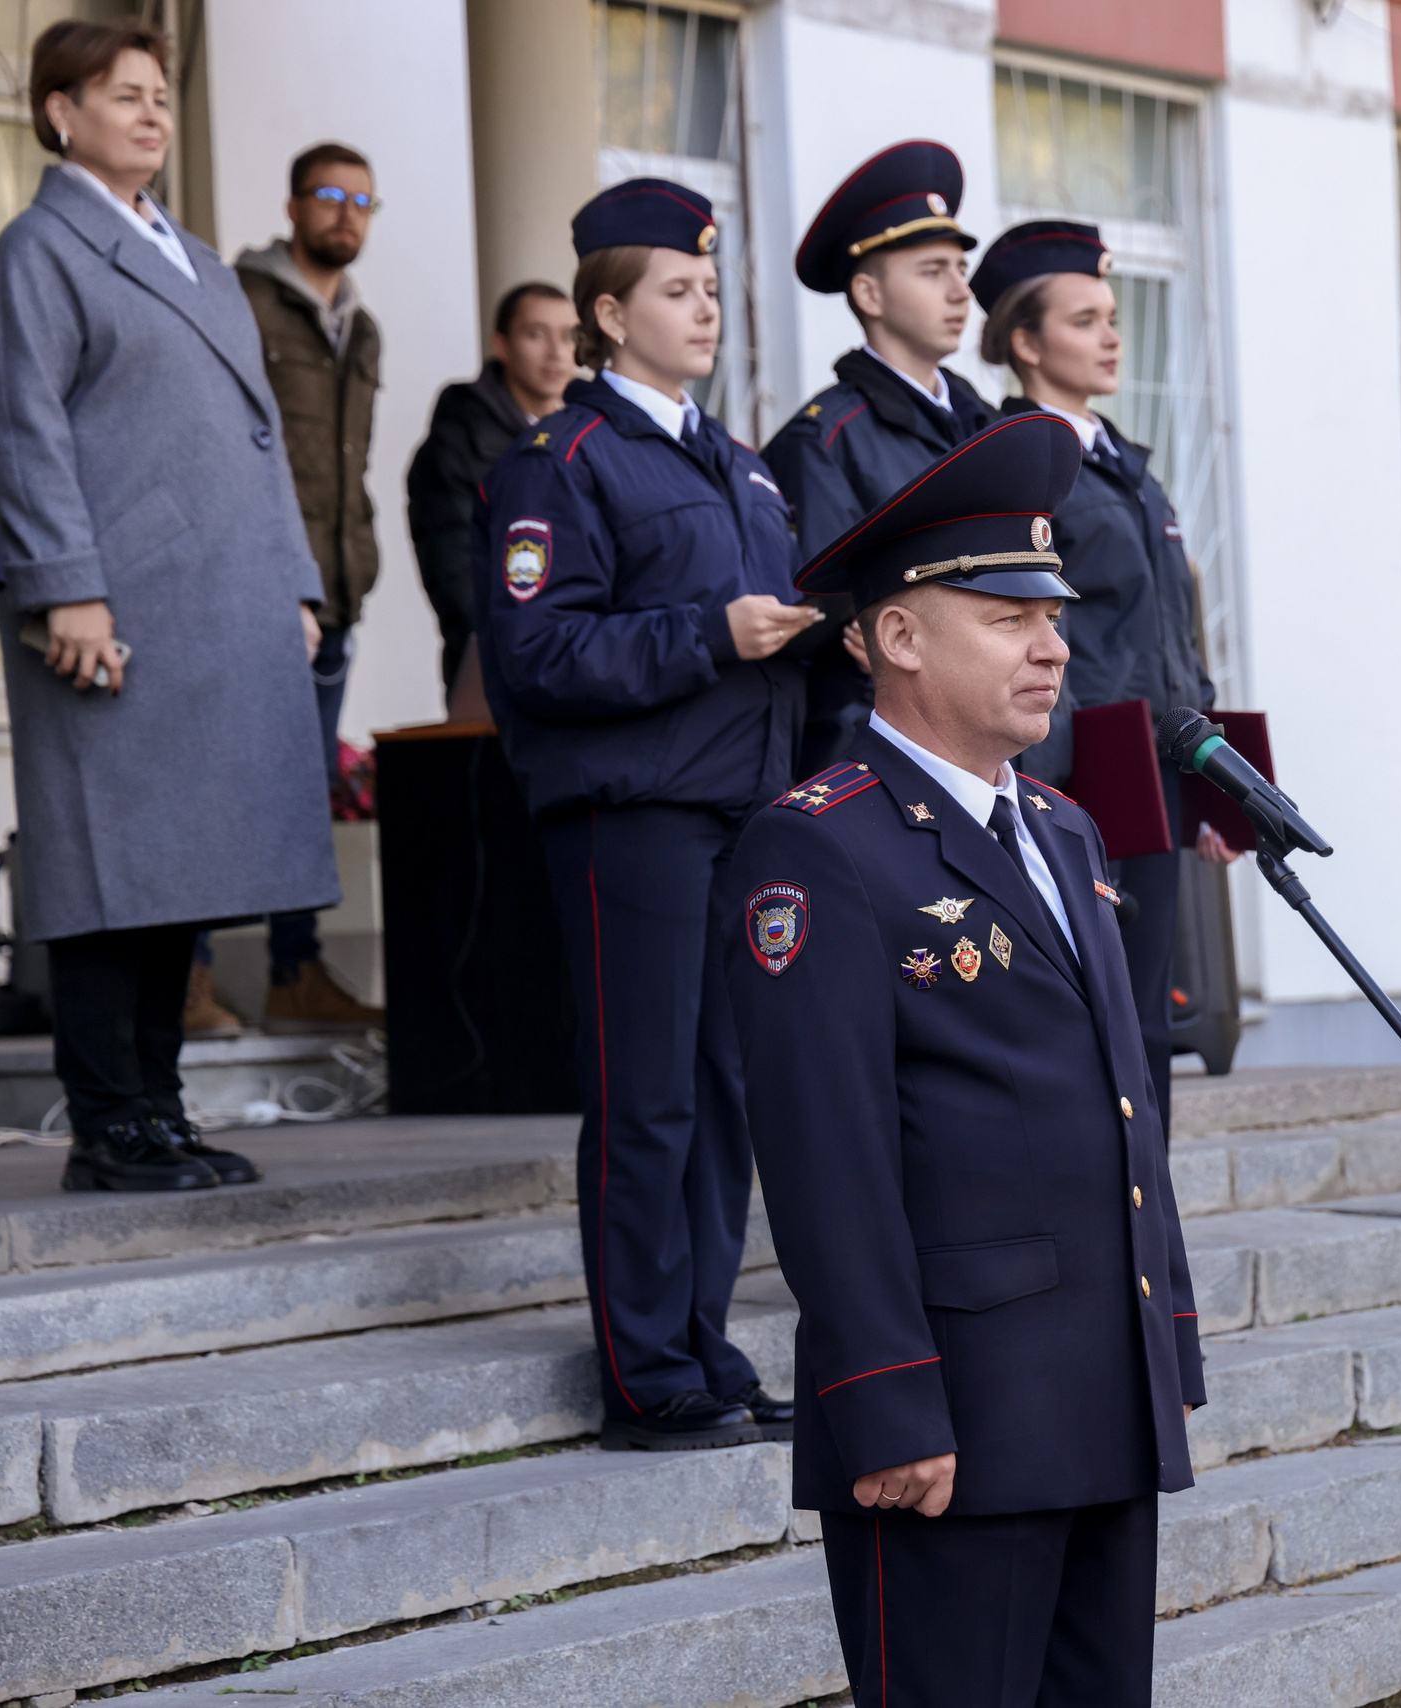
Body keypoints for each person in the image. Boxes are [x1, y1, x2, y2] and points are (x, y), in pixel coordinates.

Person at [727, 412, 1205, 1706]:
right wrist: (883, 1399)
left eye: (1053, 614)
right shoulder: (820, 848)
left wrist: (1165, 1336)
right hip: (955, 1424)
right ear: (893, 636)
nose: (1051, 643)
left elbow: (1120, 1108)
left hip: (1100, 1395)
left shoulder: (1064, 831)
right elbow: (829, 1156)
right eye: (1005, 616)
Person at [475, 178, 813, 1451]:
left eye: (714, 289)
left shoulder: (742, 468)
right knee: (648, 1096)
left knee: (728, 1093)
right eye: (679, 290)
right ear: (607, 315)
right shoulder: (558, 464)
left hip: (745, 810)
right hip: (634, 819)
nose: (705, 307)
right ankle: (645, 1374)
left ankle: (703, 1342)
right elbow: (538, 655)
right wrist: (708, 634)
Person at [0, 19, 339, 1193]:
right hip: (114, 608)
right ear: (58, 113)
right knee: (107, 869)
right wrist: (66, 589)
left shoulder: (195, 257)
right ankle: (108, 1120)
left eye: (159, 94)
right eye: (120, 94)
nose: (149, 111)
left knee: (187, 868)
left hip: (218, 607)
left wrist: (293, 580)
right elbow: (23, 433)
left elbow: (261, 438)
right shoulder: (38, 250)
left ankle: (162, 1106)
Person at [974, 218, 1240, 1124]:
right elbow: (1023, 629)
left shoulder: (1130, 470)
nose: (1112, 336)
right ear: (1024, 341)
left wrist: (1213, 784)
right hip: (1073, 777)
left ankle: (1147, 1241)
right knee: (1082, 1018)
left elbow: (1174, 638)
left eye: (1113, 316)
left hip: (1154, 781)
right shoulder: (1017, 464)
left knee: (1146, 1021)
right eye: (1085, 320)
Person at [214, 139, 387, 1038]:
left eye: (363, 200)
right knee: (219, 785)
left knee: (307, 791)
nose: (346, 213)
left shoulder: (363, 326)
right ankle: (190, 973)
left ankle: (294, 972)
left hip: (334, 592)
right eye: (329, 195)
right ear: (291, 208)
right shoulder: (241, 301)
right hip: (250, 589)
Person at [761, 139, 991, 777]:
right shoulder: (824, 438)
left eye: (959, 270)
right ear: (868, 292)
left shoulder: (990, 427)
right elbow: (832, 616)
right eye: (931, 271)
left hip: (1002, 752)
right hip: (886, 762)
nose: (958, 292)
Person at [408, 281, 576, 691]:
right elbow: (456, 573)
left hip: (584, 659)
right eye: (536, 334)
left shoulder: (588, 436)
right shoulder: (457, 440)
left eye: (570, 336)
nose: (556, 352)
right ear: (501, 346)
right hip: (500, 666)